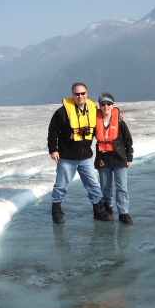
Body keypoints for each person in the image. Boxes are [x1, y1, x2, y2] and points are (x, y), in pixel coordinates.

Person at [48, 82, 113, 224]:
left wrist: (120, 119)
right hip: (66, 157)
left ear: (87, 94)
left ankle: (98, 210)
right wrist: (53, 149)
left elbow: (106, 120)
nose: (80, 96)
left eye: (83, 93)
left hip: (85, 156)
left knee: (93, 184)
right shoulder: (62, 112)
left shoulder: (93, 110)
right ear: (72, 95)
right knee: (61, 184)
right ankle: (57, 211)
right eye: (77, 94)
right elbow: (53, 130)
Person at [94, 92, 134, 225]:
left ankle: (123, 212)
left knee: (121, 186)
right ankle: (108, 208)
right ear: (100, 106)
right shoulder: (95, 120)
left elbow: (128, 139)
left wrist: (129, 156)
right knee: (105, 186)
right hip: (103, 157)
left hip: (119, 157)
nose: (106, 106)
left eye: (108, 104)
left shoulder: (120, 120)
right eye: (103, 104)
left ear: (113, 105)